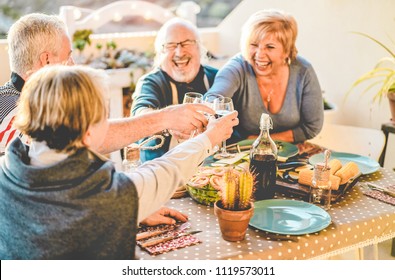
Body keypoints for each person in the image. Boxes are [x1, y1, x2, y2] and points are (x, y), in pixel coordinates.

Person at [0, 64, 238, 259]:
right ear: (89, 134)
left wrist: (130, 212)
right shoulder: (108, 197)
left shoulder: (5, 170)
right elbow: (164, 172)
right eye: (104, 116)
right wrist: (210, 138)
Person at [0, 13, 213, 225]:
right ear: (47, 60)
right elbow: (47, 205)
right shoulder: (14, 120)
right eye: (68, 55)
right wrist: (167, 119)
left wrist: (128, 209)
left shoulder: (30, 106)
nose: (73, 64)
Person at [204, 9, 323, 143]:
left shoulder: (303, 71)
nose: (259, 54)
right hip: (241, 151)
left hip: (293, 152)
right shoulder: (236, 68)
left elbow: (312, 127)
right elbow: (214, 98)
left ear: (287, 50)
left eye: (270, 47)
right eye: (254, 45)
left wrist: (261, 140)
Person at [131, 17, 218, 162]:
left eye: (187, 43)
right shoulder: (150, 82)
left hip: (212, 169)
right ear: (160, 53)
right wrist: (170, 121)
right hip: (162, 172)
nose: (179, 52)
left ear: (199, 48)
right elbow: (139, 115)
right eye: (170, 45)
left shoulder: (216, 77)